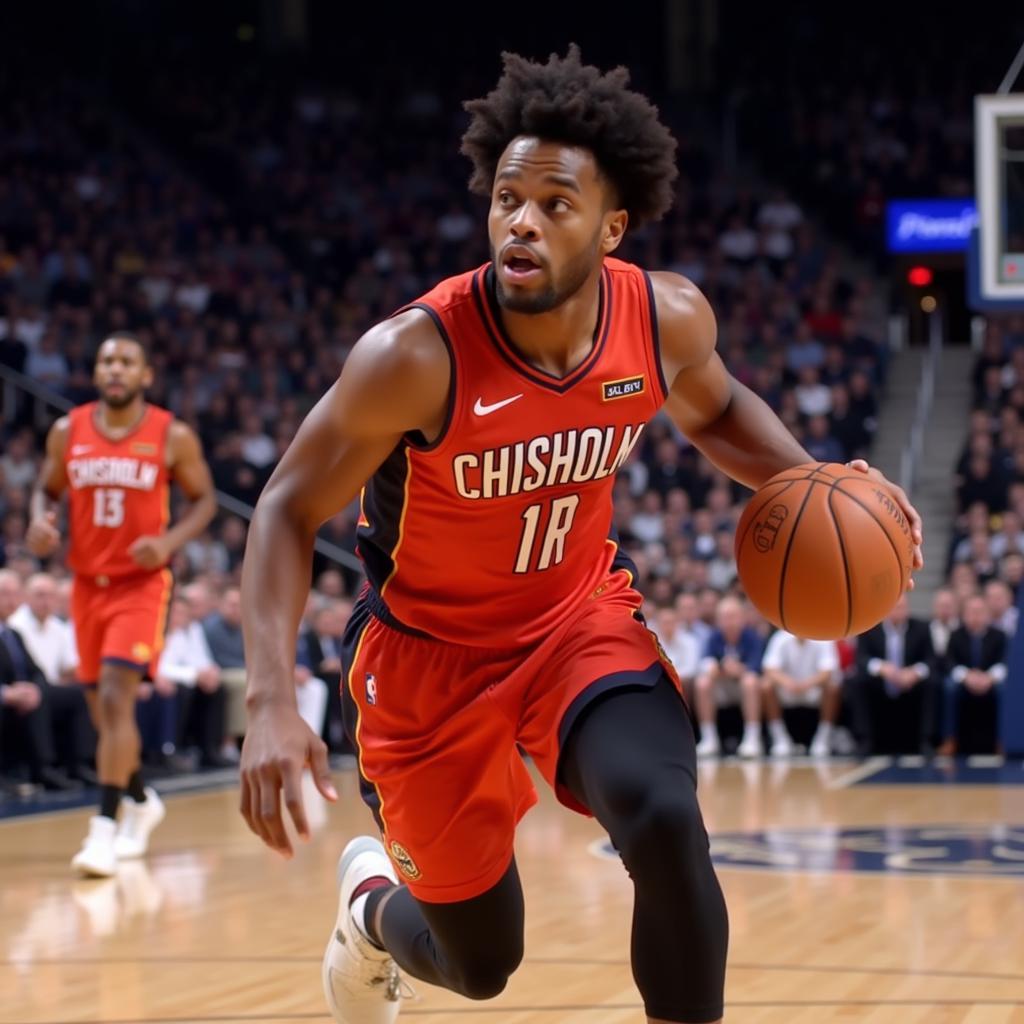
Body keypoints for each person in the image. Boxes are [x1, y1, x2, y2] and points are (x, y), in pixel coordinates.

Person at [237, 49, 922, 1024]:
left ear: (611, 227)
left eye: (554, 204)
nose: (521, 219)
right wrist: (270, 700)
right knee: (479, 963)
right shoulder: (414, 356)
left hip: (573, 624)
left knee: (665, 814)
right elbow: (285, 508)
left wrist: (838, 486)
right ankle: (367, 913)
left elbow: (719, 412)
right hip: (428, 658)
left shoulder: (663, 317)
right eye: (507, 197)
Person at [26, 331, 216, 876]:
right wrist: (42, 519)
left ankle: (103, 828)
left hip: (141, 584)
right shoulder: (68, 431)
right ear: (96, 372)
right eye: (106, 359)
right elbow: (47, 487)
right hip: (85, 585)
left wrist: (170, 542)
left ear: (145, 375)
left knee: (114, 700)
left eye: (126, 361)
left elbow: (203, 501)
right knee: (102, 713)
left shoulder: (171, 435)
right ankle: (140, 798)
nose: (115, 368)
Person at [694, 596, 766, 758]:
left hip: (744, 687)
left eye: (733, 616)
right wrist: (718, 668)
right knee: (702, 683)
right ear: (718, 619)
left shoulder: (752, 637)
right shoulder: (714, 637)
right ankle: (709, 738)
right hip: (721, 686)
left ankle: (752, 738)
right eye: (725, 617)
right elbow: (706, 663)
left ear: (742, 618)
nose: (729, 621)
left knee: (750, 681)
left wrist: (737, 669)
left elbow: (756, 667)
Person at [760, 628, 840, 758]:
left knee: (833, 687)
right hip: (787, 691)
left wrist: (806, 684)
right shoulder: (780, 637)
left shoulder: (824, 637)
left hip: (813, 691)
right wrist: (787, 682)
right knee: (766, 685)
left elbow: (828, 672)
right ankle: (780, 739)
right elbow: (769, 668)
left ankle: (823, 739)